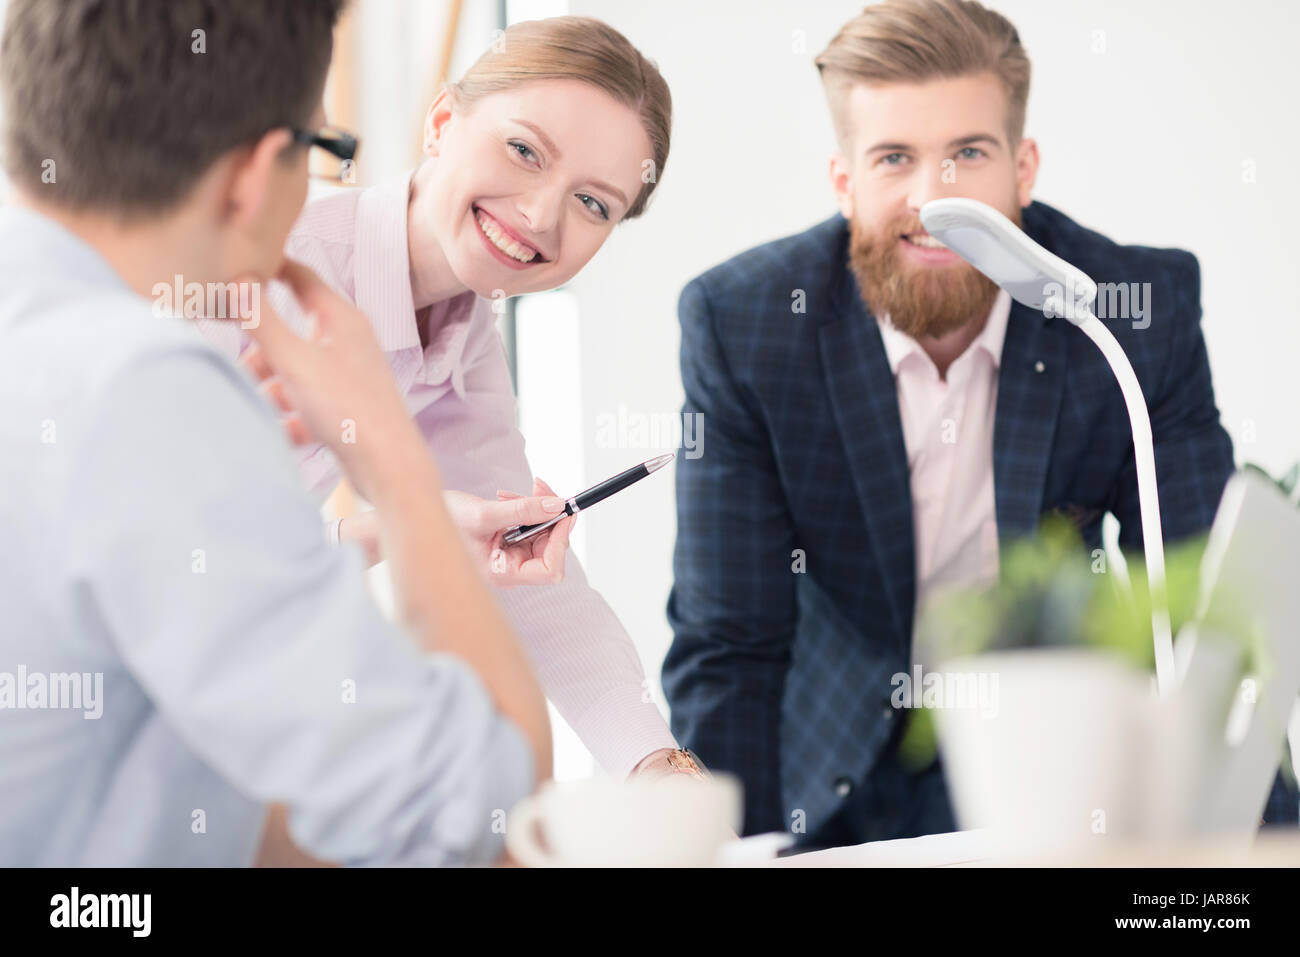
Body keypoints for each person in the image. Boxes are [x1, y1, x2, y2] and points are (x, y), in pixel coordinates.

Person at [662, 0, 1298, 842]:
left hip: (1059, 748)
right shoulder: (745, 326)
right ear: (845, 181)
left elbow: (1195, 608)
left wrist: (1262, 844)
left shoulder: (1129, 315)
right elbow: (729, 644)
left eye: (968, 152)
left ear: (1023, 169)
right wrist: (727, 853)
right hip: (836, 763)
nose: (935, 199)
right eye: (895, 158)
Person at [0, 0, 551, 866]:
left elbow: (141, 789)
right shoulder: (141, 386)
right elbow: (471, 814)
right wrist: (393, 462)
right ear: (258, 174)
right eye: (325, 150)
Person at [196, 16, 704, 788]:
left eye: (593, 203)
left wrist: (656, 764)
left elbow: (532, 571)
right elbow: (180, 561)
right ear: (441, 123)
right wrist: (405, 526)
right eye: (523, 149)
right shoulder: (275, 262)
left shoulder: (462, 333)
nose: (540, 215)